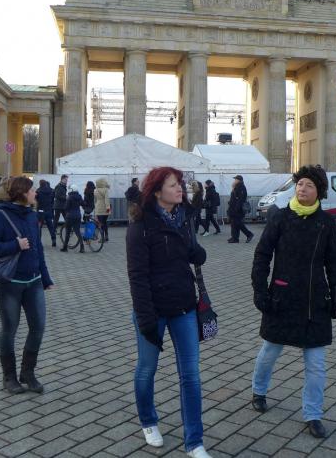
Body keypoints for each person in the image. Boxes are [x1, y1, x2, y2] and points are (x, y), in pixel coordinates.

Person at [250, 165, 336, 439]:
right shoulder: (280, 217)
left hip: (315, 302)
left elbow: (334, 262)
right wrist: (260, 290)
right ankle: (258, 390)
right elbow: (262, 256)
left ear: (319, 192)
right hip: (282, 298)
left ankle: (313, 414)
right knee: (270, 350)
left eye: (309, 185)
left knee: (316, 363)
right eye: (300, 184)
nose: (302, 189)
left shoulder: (326, 223)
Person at [126, 166, 210, 457]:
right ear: (157, 191)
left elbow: (192, 254)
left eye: (180, 185)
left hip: (184, 306)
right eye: (174, 185)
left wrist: (197, 252)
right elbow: (137, 276)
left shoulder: (184, 218)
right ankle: (148, 421)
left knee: (191, 375)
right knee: (146, 369)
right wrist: (146, 319)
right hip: (152, 310)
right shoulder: (140, 225)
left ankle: (195, 442)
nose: (180, 189)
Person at [0, 177, 53, 394]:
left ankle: (28, 373)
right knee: (10, 329)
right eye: (32, 190)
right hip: (8, 283)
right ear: (21, 194)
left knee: (38, 327)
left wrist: (45, 277)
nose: (35, 193)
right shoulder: (0, 215)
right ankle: (9, 377)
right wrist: (15, 245)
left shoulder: (31, 214)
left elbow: (38, 248)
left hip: (33, 281)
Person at [227, 175, 253, 243]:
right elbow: (234, 198)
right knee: (234, 223)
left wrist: (236, 209)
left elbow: (241, 199)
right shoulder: (236, 187)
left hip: (238, 209)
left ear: (239, 180)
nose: (234, 180)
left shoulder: (241, 187)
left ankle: (249, 234)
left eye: (235, 179)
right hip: (233, 208)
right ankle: (235, 238)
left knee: (238, 223)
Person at [60, 184, 85, 253]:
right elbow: (83, 203)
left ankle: (65, 247)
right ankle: (82, 247)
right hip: (78, 216)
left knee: (68, 232)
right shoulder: (79, 196)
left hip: (70, 216)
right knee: (77, 231)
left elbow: (66, 207)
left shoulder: (69, 197)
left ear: (72, 190)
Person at [36, 180, 57, 247]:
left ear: (40, 184)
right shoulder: (51, 191)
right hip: (48, 211)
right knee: (50, 226)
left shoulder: (38, 191)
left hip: (40, 211)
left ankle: (39, 241)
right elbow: (52, 200)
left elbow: (36, 199)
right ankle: (54, 240)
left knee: (39, 227)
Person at [94, 177, 111, 242]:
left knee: (101, 223)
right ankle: (106, 236)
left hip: (98, 208)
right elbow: (107, 199)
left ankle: (102, 238)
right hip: (105, 208)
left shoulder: (95, 190)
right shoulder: (105, 190)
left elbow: (95, 201)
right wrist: (108, 208)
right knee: (105, 222)